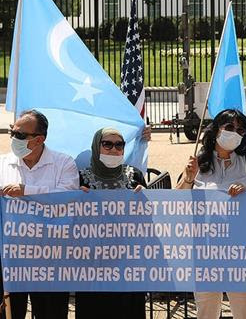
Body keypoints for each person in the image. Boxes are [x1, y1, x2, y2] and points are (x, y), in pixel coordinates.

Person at [177, 109, 246, 319]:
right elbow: (176, 202)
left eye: (240, 129)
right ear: (216, 129)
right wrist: (188, 177)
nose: (235, 133)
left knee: (245, 311)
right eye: (230, 128)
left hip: (240, 249)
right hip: (205, 248)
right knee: (206, 311)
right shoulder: (197, 161)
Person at [0, 109, 79, 319]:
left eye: (19, 135)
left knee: (50, 314)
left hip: (50, 261)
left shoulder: (64, 163)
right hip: (11, 261)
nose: (13, 138)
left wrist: (26, 191)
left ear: (39, 139)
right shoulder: (2, 163)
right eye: (11, 132)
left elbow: (68, 197)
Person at [76, 127, 147, 319]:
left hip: (129, 264)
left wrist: (146, 200)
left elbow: (149, 220)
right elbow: (69, 221)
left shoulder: (136, 176)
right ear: (96, 147)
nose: (113, 150)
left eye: (119, 145)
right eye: (107, 144)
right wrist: (76, 201)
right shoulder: (81, 178)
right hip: (92, 264)